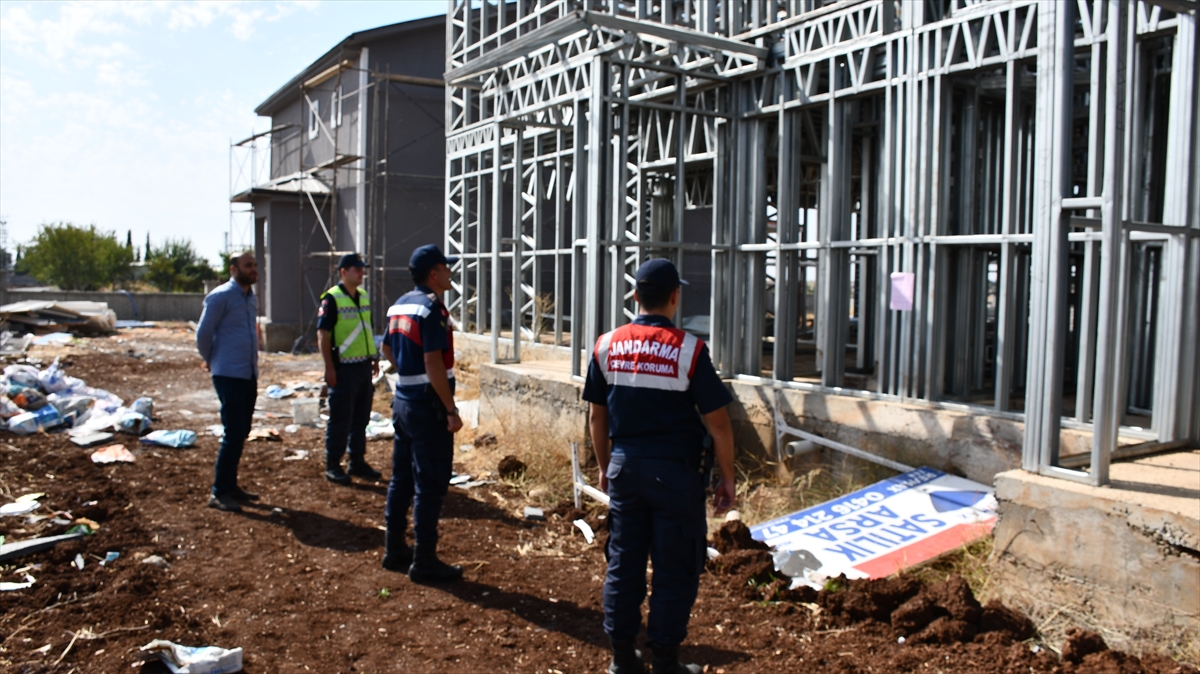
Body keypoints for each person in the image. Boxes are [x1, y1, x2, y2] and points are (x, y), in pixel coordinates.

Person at [582, 258, 737, 674]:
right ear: (675, 297)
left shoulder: (606, 345)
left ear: (635, 296)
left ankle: (622, 659)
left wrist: (605, 467)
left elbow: (597, 417)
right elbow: (719, 423)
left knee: (623, 565)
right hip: (675, 476)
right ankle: (665, 662)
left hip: (624, 469)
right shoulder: (689, 350)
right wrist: (727, 478)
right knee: (676, 567)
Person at [379, 244, 464, 583]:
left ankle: (394, 548)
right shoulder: (432, 309)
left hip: (404, 401)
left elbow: (386, 347)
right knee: (430, 484)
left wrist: (407, 371)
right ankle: (424, 561)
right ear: (433, 273)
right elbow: (433, 362)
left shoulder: (400, 304)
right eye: (445, 267)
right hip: (428, 407)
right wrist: (450, 408)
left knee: (402, 478)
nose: (449, 273)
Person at [195, 252, 262, 513]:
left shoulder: (250, 297)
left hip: (248, 372)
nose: (253, 269)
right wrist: (211, 359)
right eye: (248, 265)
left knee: (242, 430)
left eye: (254, 265)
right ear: (234, 269)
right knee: (233, 432)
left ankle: (231, 486)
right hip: (229, 374)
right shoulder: (220, 296)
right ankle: (219, 492)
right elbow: (203, 334)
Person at [317, 253, 383, 485]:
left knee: (361, 418)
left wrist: (374, 357)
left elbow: (367, 329)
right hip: (343, 368)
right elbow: (323, 334)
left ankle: (357, 460)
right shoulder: (332, 298)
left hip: (363, 365)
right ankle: (333, 464)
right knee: (340, 418)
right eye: (357, 269)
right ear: (343, 272)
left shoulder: (363, 296)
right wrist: (329, 367)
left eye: (362, 269)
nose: (361, 273)